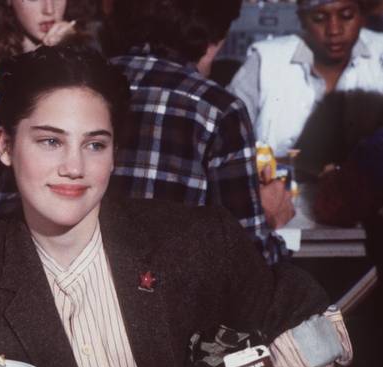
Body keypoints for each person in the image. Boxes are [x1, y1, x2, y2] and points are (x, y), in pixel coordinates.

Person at [0, 45, 352, 367]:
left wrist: (277, 366)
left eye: (95, 144)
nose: (74, 167)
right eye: (50, 141)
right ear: (5, 146)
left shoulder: (196, 240)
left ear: (114, 152)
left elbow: (308, 316)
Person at [104, 0, 292, 265]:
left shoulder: (81, 84)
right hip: (171, 298)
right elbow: (250, 265)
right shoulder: (219, 110)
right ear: (214, 35)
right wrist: (269, 216)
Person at [0, 0, 94, 184]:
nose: (49, 9)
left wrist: (73, 51)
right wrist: (48, 59)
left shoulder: (79, 49)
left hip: (67, 182)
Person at [228, 0, 383, 159]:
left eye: (346, 16)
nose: (334, 30)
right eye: (319, 18)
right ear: (302, 19)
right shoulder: (265, 61)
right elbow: (225, 143)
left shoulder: (380, 55)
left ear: (362, 17)